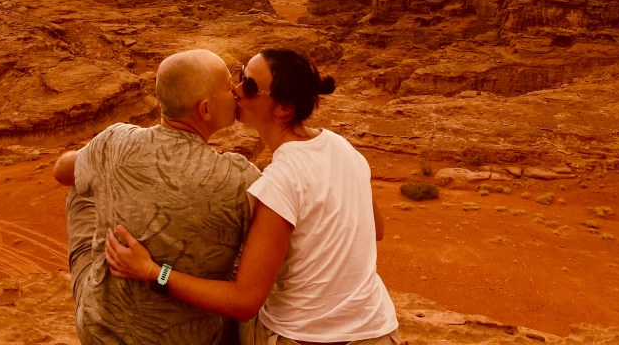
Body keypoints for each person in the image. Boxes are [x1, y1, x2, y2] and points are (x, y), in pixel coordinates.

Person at [105, 48, 400, 345]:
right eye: (241, 75)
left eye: (248, 86)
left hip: (307, 338)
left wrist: (154, 272)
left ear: (283, 108)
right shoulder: (342, 147)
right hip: (379, 330)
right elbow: (377, 229)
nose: (235, 90)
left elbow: (244, 301)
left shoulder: (280, 180)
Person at [52, 48, 260, 345]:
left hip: (100, 330)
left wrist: (107, 159)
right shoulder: (241, 178)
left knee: (81, 185)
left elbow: (61, 171)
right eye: (229, 86)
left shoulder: (115, 141)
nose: (236, 92)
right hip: (190, 338)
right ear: (205, 110)